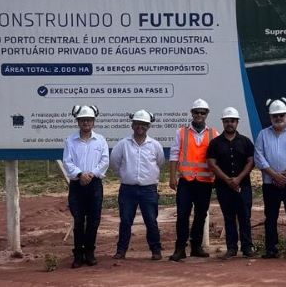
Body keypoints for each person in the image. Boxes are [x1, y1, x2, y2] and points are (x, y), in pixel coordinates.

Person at [109, 110, 166, 260]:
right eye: (137, 123)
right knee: (126, 221)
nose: (140, 126)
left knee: (151, 221)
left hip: (149, 190)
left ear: (148, 126)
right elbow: (114, 163)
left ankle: (156, 250)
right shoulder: (123, 144)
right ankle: (121, 251)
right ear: (132, 125)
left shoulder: (155, 145)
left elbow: (160, 162)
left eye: (144, 124)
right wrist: (125, 175)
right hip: (128, 189)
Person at [254, 97, 286, 261]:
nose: (278, 118)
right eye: (275, 116)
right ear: (270, 117)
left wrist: (285, 175)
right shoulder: (263, 134)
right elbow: (259, 157)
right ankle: (271, 249)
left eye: (281, 115)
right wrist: (274, 175)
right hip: (270, 184)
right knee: (270, 218)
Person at [169, 98, 220, 261]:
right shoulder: (181, 132)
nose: (199, 115)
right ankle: (180, 248)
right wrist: (172, 177)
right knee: (182, 214)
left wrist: (217, 178)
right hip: (186, 181)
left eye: (202, 113)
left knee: (201, 215)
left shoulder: (214, 134)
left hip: (205, 182)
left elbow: (217, 158)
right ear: (192, 113)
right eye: (196, 112)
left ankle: (196, 246)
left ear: (207, 114)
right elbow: (174, 155)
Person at [62, 105, 109, 268]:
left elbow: (105, 161)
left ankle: (89, 252)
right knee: (78, 220)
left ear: (93, 122)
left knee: (94, 221)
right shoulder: (70, 140)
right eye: (82, 120)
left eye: (89, 120)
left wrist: (91, 174)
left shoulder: (101, 140)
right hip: (77, 185)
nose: (86, 123)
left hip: (94, 184)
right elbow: (67, 162)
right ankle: (78, 254)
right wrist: (80, 174)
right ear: (78, 122)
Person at [206, 106, 256, 259]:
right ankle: (231, 248)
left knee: (244, 217)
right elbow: (212, 163)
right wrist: (227, 180)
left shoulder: (246, 142)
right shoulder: (215, 143)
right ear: (223, 122)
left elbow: (251, 161)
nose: (230, 123)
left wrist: (238, 178)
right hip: (223, 187)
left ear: (237, 122)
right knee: (229, 218)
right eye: (227, 121)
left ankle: (247, 248)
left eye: (232, 121)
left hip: (243, 186)